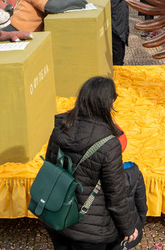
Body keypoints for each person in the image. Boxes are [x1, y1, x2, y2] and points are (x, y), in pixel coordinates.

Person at [43, 76, 138, 249]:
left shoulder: (60, 127)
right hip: (89, 229)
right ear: (107, 103)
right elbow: (116, 195)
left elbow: (49, 168)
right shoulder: (109, 143)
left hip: (56, 216)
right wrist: (129, 228)